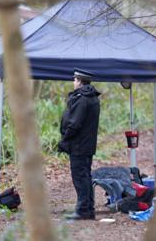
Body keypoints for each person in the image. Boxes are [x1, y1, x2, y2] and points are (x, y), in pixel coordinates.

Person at [58, 68, 101, 220]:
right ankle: (88, 209)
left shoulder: (82, 99)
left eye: (75, 80)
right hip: (86, 145)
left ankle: (83, 210)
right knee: (86, 176)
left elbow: (75, 123)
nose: (73, 82)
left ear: (79, 81)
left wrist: (65, 140)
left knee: (80, 177)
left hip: (79, 145)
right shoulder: (92, 97)